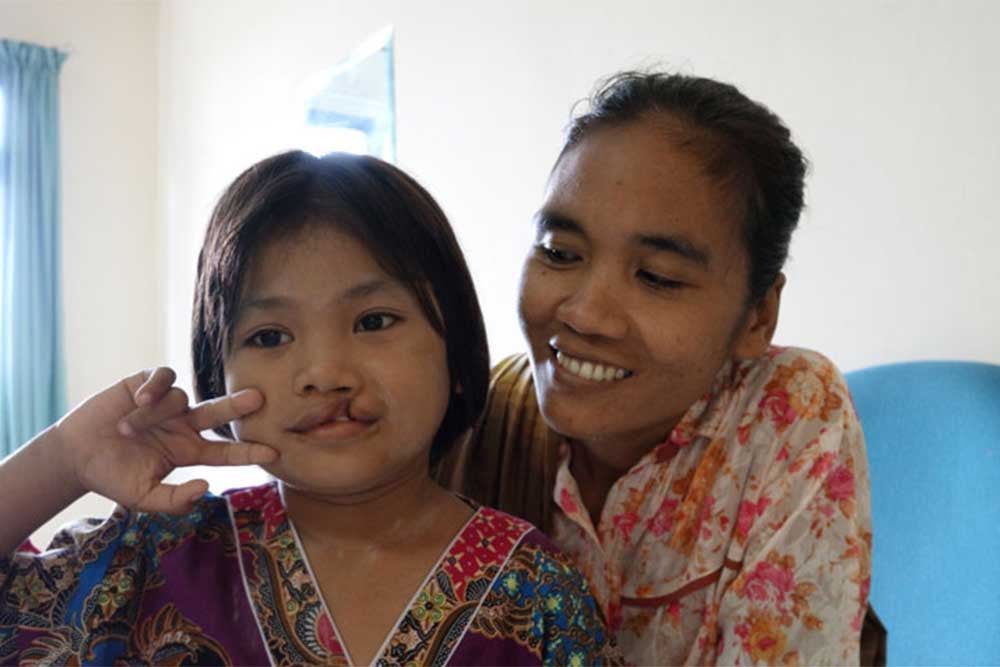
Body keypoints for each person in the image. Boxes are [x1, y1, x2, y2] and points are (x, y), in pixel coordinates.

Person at [0, 151, 618, 666]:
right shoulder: (157, 554)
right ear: (220, 376)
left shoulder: (542, 595)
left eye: (374, 321)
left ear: (455, 352)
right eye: (269, 336)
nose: (324, 373)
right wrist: (62, 459)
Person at [435, 71, 874, 665]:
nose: (586, 313)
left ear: (758, 315)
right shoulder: (481, 418)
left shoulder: (785, 413)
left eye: (657, 277)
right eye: (560, 253)